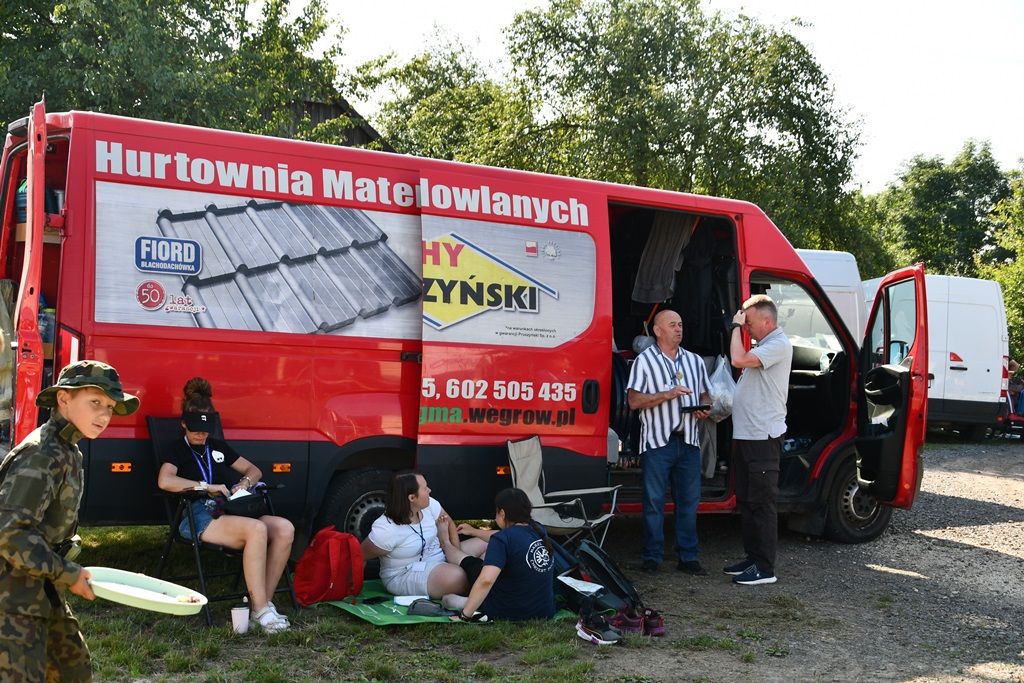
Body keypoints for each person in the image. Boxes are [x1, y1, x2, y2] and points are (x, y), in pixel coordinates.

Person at [0, 360, 139, 682]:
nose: (104, 414)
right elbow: (9, 533)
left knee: (73, 670)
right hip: (12, 599)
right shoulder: (42, 453)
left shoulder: (68, 450)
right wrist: (68, 573)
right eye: (95, 402)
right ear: (63, 398)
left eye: (110, 406)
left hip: (43, 588)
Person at [157, 377, 294, 633]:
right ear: (184, 423)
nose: (201, 434)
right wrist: (204, 485)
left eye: (205, 430)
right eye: (196, 429)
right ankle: (261, 609)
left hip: (230, 508)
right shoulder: (176, 449)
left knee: (284, 528)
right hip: (198, 514)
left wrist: (244, 483)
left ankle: (263, 604)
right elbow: (165, 481)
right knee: (257, 529)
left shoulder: (218, 446)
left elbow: (254, 470)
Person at [627, 309, 712, 575]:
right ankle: (652, 556)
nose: (679, 329)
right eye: (672, 325)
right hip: (657, 442)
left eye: (680, 324)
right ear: (657, 330)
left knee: (689, 502)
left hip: (688, 440)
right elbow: (634, 401)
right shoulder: (644, 361)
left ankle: (688, 557)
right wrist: (667, 394)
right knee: (654, 503)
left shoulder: (694, 361)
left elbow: (706, 394)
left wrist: (705, 407)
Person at [725, 294, 793, 586]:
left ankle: (765, 568)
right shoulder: (765, 346)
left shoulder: (779, 344)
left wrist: (733, 327)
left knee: (762, 503)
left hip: (763, 437)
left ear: (767, 321)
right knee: (748, 500)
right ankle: (753, 558)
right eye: (743, 324)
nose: (746, 328)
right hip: (749, 436)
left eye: (749, 323)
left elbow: (737, 359)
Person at [361, 471, 487, 599]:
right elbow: (360, 556)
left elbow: (449, 524)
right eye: (425, 488)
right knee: (458, 577)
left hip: (440, 553)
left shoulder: (428, 504)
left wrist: (457, 557)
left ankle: (482, 581)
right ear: (412, 498)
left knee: (489, 543)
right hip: (405, 572)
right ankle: (481, 583)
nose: (429, 490)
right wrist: (352, 590)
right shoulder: (386, 530)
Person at [437, 488, 556, 622]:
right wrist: (473, 531)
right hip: (544, 611)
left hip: (507, 610)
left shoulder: (502, 539)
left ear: (502, 513)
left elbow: (486, 580)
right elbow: (505, 536)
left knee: (469, 565)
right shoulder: (539, 529)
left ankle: (445, 543)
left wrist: (465, 616)